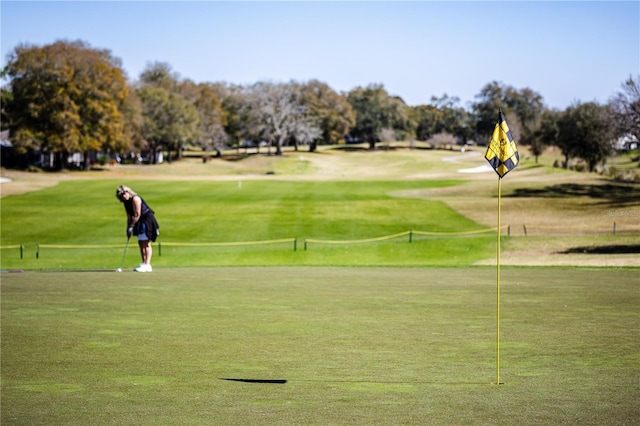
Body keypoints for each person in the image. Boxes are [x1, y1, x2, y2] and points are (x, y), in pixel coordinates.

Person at [115, 185, 160, 272]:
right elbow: (129, 217)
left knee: (145, 242)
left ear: (128, 192)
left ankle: (147, 264)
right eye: (121, 196)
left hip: (146, 220)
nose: (124, 196)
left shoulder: (135, 199)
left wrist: (132, 227)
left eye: (124, 193)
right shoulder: (126, 202)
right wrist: (128, 229)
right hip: (139, 221)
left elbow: (137, 214)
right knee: (140, 242)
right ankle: (144, 263)